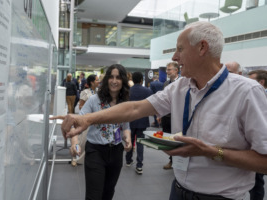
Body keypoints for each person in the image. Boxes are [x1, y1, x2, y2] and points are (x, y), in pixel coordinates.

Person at [54, 21, 267, 200]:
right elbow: (135, 108)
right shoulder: (181, 87)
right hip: (178, 191)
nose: (174, 57)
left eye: (180, 49)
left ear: (202, 48)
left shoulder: (247, 92)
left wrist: (210, 152)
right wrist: (88, 119)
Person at [53, 64, 132, 200]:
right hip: (96, 152)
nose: (114, 81)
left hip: (116, 152)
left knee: (108, 192)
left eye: (118, 77)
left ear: (123, 81)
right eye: (111, 77)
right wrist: (75, 144)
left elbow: (125, 126)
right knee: (94, 195)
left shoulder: (124, 102)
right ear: (106, 79)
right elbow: (77, 123)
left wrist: (128, 138)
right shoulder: (94, 100)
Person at [125, 71, 152, 175]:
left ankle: (128, 160)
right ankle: (139, 165)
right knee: (140, 142)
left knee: (129, 140)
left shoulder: (128, 91)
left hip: (130, 119)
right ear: (141, 80)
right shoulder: (147, 91)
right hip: (142, 119)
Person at [248, 69, 267, 200]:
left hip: (260, 146)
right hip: (249, 143)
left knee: (257, 180)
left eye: (251, 80)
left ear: (261, 82)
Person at [160, 61, 180, 170]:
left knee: (176, 139)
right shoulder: (165, 84)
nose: (167, 72)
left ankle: (175, 161)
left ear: (176, 70)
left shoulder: (182, 83)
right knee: (168, 139)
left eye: (169, 70)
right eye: (167, 70)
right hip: (166, 116)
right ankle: (172, 160)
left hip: (177, 117)